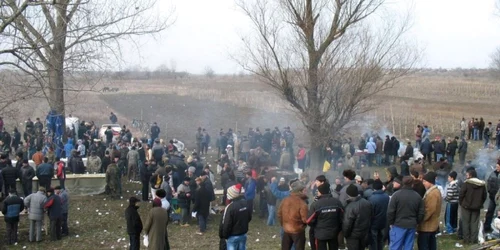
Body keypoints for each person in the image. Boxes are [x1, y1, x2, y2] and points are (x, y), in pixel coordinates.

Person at [307, 183, 343, 250]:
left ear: (320, 192)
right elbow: (342, 217)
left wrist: (315, 226)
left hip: (320, 234)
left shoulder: (316, 204)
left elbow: (309, 220)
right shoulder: (337, 202)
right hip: (334, 233)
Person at [220, 183, 252, 250]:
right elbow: (249, 217)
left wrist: (224, 236)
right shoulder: (245, 203)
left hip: (232, 236)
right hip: (243, 234)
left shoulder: (230, 207)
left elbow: (226, 223)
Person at [459, 168, 487, 244]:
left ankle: (466, 240)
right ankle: (473, 240)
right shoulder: (482, 184)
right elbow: (484, 196)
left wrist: (461, 203)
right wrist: (480, 203)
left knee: (466, 223)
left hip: (466, 206)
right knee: (474, 223)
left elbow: (461, 194)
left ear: (471, 175)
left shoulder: (466, 184)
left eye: (467, 175)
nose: (466, 176)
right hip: (476, 207)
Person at [278, 180, 308, 250]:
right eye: (304, 190)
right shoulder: (302, 203)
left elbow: (279, 214)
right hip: (298, 231)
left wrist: (284, 224)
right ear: (300, 191)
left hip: (286, 230)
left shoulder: (285, 200)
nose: (306, 191)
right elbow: (305, 219)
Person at [417, 172, 442, 250]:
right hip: (430, 226)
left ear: (429, 182)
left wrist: (420, 220)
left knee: (424, 246)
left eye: (424, 181)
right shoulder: (433, 191)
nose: (423, 183)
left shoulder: (432, 194)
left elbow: (429, 210)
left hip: (427, 226)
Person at [343, 184, 372, 250]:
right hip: (364, 233)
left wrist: (346, 235)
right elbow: (370, 216)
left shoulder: (350, 206)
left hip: (353, 236)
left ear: (349, 194)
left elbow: (347, 223)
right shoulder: (366, 202)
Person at [368, 180, 390, 250]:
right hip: (384, 222)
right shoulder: (387, 197)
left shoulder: (371, 198)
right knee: (380, 240)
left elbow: (370, 212)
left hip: (374, 223)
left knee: (373, 241)